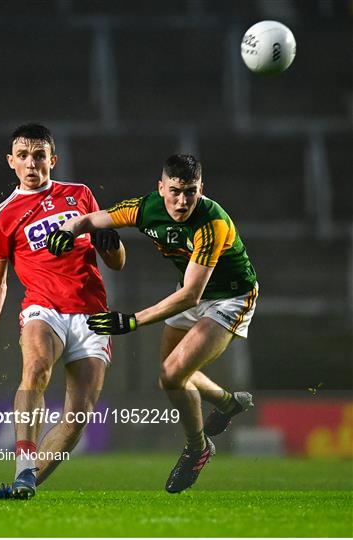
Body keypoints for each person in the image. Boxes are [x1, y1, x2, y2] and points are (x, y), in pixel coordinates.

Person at [47, 154, 258, 493]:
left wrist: (132, 321)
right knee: (173, 376)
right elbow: (92, 220)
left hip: (229, 298)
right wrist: (68, 229)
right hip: (190, 291)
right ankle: (227, 402)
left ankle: (197, 448)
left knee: (172, 374)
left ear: (201, 188)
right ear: (161, 188)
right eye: (174, 191)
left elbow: (191, 294)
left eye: (190, 191)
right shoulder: (145, 209)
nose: (182, 200)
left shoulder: (212, 222)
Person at [0, 123, 125, 500]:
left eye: (39, 155)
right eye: (23, 156)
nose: (31, 163)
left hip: (92, 315)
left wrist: (111, 243)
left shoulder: (80, 195)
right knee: (35, 369)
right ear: (11, 162)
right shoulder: (1, 217)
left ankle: (23, 484)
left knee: (78, 416)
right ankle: (22, 467)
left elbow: (115, 261)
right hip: (42, 308)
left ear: (53, 159)